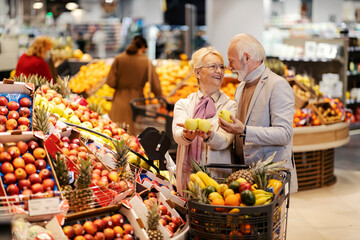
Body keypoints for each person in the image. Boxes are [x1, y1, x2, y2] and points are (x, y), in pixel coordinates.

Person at [219, 33, 298, 192]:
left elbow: (284, 134)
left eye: (232, 60)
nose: (229, 66)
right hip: (245, 174)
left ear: (247, 58)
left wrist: (244, 131)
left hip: (270, 177)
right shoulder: (241, 87)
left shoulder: (277, 85)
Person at [172, 47, 237, 195]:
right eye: (212, 66)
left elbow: (226, 140)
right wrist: (187, 135)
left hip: (218, 176)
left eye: (221, 67)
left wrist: (209, 135)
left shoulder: (230, 106)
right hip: (188, 175)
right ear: (197, 72)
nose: (219, 71)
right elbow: (177, 134)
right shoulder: (184, 104)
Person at [106, 35, 162, 134]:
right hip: (137, 102)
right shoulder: (146, 61)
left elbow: (110, 82)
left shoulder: (119, 59)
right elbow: (155, 86)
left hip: (119, 102)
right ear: (143, 47)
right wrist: (161, 99)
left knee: (116, 133)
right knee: (134, 136)